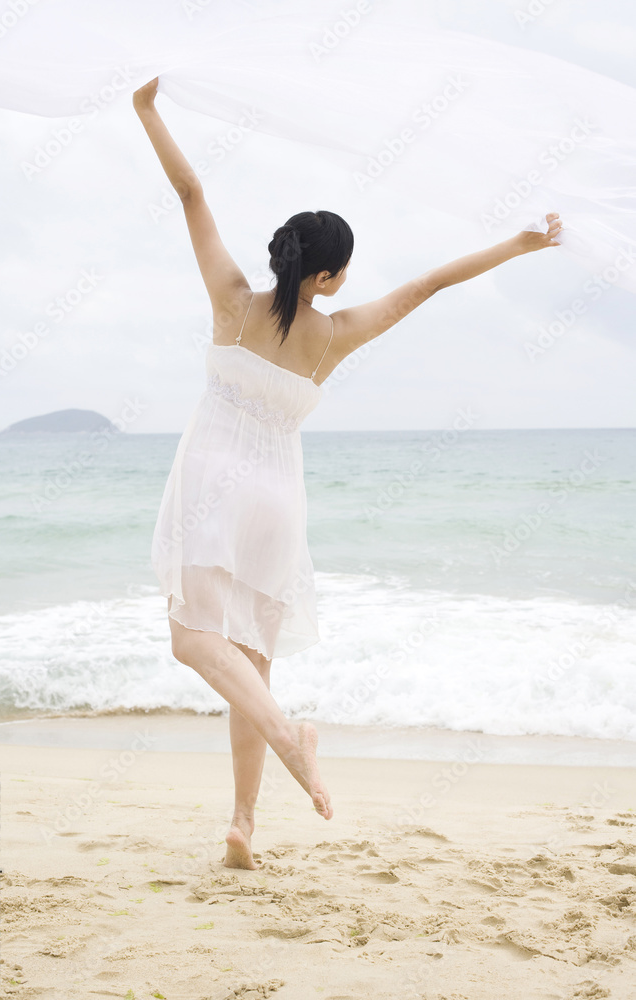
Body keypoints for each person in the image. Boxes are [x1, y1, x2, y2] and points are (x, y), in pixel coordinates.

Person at [133, 77, 563, 870]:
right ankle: (242, 826)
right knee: (249, 660)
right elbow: (428, 284)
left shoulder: (231, 301)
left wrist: (147, 111)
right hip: (276, 501)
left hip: (211, 487)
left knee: (192, 640)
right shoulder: (334, 336)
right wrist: (519, 245)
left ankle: (292, 741)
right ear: (328, 276)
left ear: (282, 254)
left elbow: (190, 189)